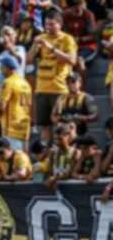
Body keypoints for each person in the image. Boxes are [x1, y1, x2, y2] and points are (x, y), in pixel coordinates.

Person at [28, 10, 78, 142]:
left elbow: (72, 60)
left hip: (59, 89)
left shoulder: (67, 39)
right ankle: (47, 155)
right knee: (45, 126)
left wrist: (51, 48)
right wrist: (34, 46)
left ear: (59, 24)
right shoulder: (42, 38)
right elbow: (28, 60)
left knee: (61, 124)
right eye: (46, 24)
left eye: (51, 24)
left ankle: (67, 151)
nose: (48, 28)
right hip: (41, 88)